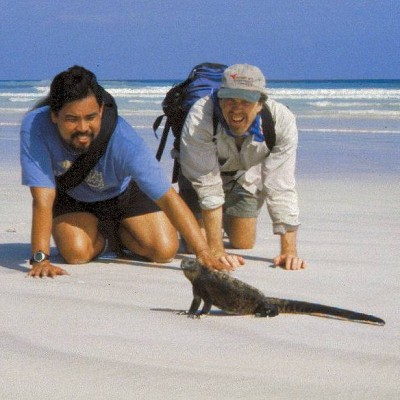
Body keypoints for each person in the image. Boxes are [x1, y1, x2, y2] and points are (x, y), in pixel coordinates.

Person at [20, 65, 235, 278]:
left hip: (123, 194)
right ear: (54, 116)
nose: (83, 128)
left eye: (91, 117)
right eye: (72, 119)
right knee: (76, 253)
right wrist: (41, 259)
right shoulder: (35, 128)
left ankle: (119, 233)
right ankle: (105, 239)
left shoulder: (123, 140)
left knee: (164, 251)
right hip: (74, 198)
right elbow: (42, 200)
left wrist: (203, 253)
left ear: (101, 110)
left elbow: (168, 197)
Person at [179, 63, 306, 270]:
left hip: (244, 175)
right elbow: (207, 186)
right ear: (219, 99)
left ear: (260, 104)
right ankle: (189, 218)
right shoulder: (200, 117)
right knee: (194, 245)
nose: (236, 107)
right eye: (229, 99)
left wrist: (288, 251)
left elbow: (281, 185)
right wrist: (215, 250)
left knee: (243, 242)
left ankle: (212, 221)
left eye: (246, 100)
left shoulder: (281, 121)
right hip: (200, 176)